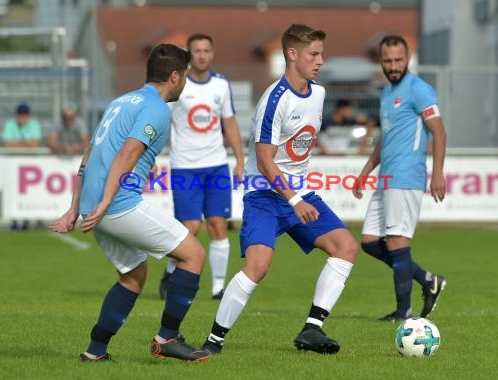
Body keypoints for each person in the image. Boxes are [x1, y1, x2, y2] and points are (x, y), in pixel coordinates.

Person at [200, 24, 359, 355]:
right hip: (265, 197)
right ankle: (214, 340)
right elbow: (265, 159)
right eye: (314, 54)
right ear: (293, 54)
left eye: (321, 54)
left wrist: (299, 196)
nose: (320, 60)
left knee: (345, 247)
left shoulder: (319, 93)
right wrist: (295, 198)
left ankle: (312, 329)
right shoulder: (275, 100)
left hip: (298, 195)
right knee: (258, 266)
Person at [49, 44, 211, 362]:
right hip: (116, 203)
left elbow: (90, 153)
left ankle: (95, 351)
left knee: (133, 275)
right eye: (187, 75)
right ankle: (168, 338)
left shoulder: (120, 101)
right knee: (193, 255)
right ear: (175, 76)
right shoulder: (158, 108)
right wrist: (107, 201)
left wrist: (75, 208)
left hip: (93, 207)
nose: (187, 82)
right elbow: (129, 154)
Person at [352, 35, 447, 322]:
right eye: (387, 60)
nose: (393, 66)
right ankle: (428, 279)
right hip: (386, 177)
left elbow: (439, 132)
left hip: (406, 176)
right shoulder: (385, 93)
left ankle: (403, 312)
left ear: (407, 59)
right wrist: (366, 170)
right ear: (380, 60)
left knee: (396, 240)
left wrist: (438, 172)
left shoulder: (419, 90)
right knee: (369, 241)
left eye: (398, 60)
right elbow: (386, 136)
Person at [158, 33, 244, 301]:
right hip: (185, 166)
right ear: (189, 54)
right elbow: (162, 119)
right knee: (191, 227)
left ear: (212, 53)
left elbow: (229, 122)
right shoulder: (178, 84)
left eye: (207, 50)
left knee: (218, 224)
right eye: (197, 51)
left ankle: (218, 287)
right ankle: (172, 268)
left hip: (216, 165)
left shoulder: (221, 84)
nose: (202, 55)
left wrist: (240, 160)